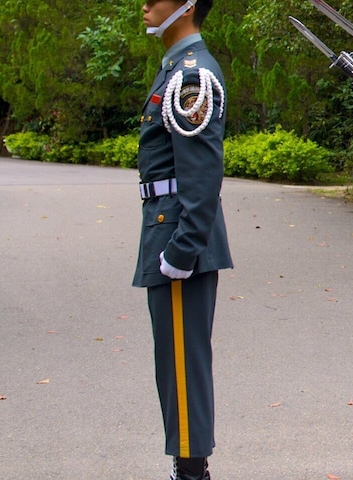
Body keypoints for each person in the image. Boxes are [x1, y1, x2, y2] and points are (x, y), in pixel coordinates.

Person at [134, 1, 230, 478]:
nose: (146, 4)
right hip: (167, 229)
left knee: (182, 364)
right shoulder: (175, 67)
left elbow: (202, 174)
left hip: (177, 237)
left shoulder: (191, 75)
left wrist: (183, 247)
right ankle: (188, 468)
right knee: (173, 363)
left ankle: (192, 473)